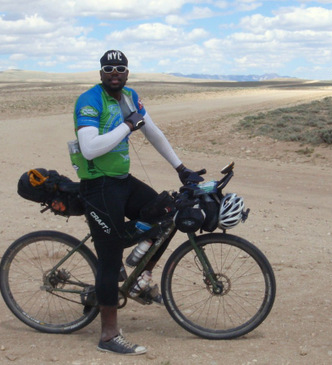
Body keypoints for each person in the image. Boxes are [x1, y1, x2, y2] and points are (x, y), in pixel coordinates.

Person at [71, 50, 204, 355]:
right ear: (101, 72)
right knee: (109, 258)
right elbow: (90, 148)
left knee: (168, 209)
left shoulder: (130, 96)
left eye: (120, 68)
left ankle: (138, 275)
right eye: (108, 68)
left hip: (121, 181)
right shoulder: (89, 101)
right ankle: (107, 336)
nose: (114, 73)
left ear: (127, 72)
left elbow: (153, 132)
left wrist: (181, 169)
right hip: (98, 187)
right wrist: (128, 127)